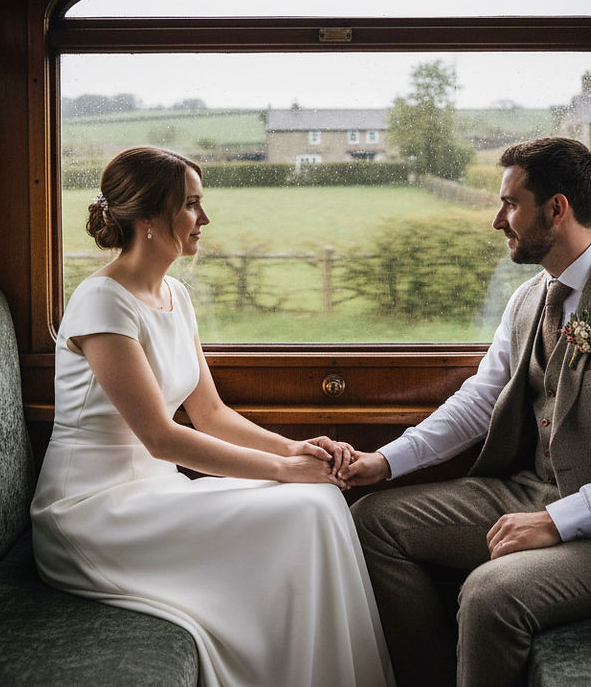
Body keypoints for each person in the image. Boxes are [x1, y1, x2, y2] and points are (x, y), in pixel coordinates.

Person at [343, 136, 591, 687]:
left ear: (556, 209)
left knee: (490, 595)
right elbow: (479, 400)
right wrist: (385, 462)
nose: (497, 220)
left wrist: (557, 522)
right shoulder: (530, 297)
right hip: (533, 490)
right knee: (372, 523)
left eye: (511, 203)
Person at [31, 146, 394, 687]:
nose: (205, 219)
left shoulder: (175, 293)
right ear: (151, 219)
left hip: (157, 494)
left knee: (319, 501)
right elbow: (161, 437)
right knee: (302, 508)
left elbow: (211, 414)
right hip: (94, 510)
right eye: (192, 206)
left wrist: (294, 451)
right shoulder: (102, 303)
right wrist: (281, 471)